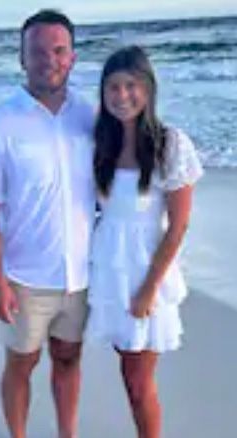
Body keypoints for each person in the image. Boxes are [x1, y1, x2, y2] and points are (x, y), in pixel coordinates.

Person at [0, 9, 95, 438]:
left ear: (73, 57)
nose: (49, 60)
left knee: (68, 359)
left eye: (59, 50)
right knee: (21, 363)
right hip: (23, 278)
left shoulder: (92, 117)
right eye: (37, 52)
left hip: (80, 275)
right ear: (22, 59)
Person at [87, 46, 203, 438]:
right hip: (109, 267)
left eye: (131, 86)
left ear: (148, 89)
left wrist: (148, 289)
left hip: (146, 271)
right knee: (128, 372)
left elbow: (179, 225)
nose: (122, 96)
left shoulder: (170, 143)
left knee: (139, 381)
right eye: (113, 88)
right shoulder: (100, 144)